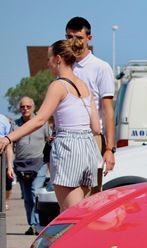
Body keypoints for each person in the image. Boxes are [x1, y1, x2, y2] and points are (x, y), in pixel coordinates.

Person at [0, 39, 101, 214]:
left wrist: (9, 137)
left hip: (68, 147)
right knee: (78, 209)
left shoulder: (58, 85)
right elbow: (96, 128)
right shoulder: (84, 86)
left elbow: (39, 120)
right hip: (88, 147)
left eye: (49, 59)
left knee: (69, 214)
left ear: (58, 59)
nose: (48, 64)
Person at [65, 17, 116, 191]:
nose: (73, 42)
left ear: (89, 39)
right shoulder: (65, 67)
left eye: (79, 38)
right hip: (68, 138)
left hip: (91, 137)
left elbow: (108, 110)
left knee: (90, 195)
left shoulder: (100, 68)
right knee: (68, 193)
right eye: (69, 37)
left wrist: (109, 148)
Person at [8, 98, 52, 234]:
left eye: (28, 106)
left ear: (33, 107)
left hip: (39, 163)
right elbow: (10, 145)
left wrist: (51, 166)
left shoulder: (41, 123)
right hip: (21, 165)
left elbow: (49, 141)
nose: (25, 108)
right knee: (27, 198)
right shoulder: (15, 124)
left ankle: (38, 224)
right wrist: (9, 166)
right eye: (22, 106)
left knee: (35, 193)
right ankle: (32, 224)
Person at [1, 114, 11, 210]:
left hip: (2, 162)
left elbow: (9, 145)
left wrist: (10, 166)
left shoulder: (3, 120)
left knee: (6, 186)